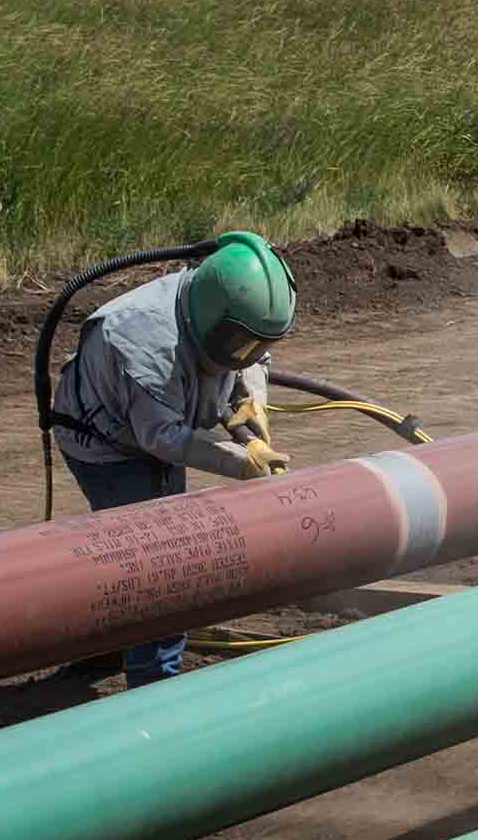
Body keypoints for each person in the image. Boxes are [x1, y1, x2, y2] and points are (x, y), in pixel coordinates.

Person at [52, 230, 298, 685]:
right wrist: (238, 461)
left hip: (152, 419)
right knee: (162, 562)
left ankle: (112, 645)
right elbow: (163, 438)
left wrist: (251, 407)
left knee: (144, 551)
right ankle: (153, 678)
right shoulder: (143, 340)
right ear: (212, 320)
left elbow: (249, 357)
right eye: (241, 342)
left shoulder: (225, 314)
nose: (249, 351)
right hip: (109, 447)